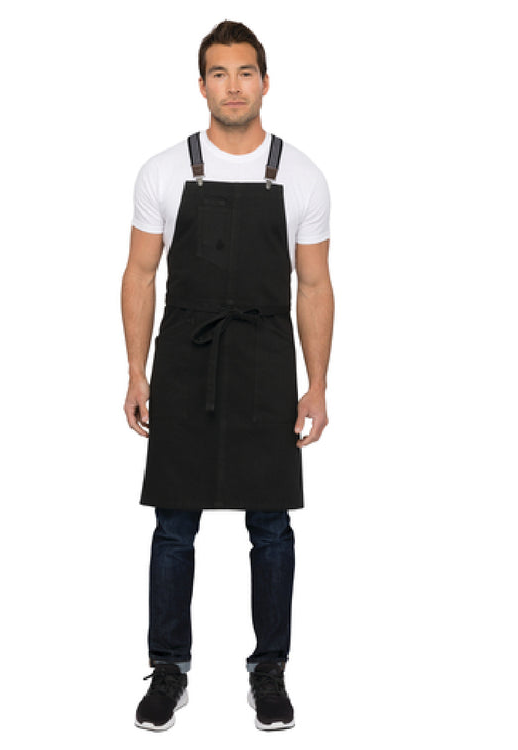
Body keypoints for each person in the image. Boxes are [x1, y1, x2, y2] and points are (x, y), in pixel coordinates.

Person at [121, 20, 334, 732]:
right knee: (173, 524)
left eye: (245, 73)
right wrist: (136, 371)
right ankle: (168, 669)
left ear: (265, 82)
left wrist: (317, 384)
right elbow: (140, 274)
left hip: (266, 359)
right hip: (184, 358)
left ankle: (269, 670)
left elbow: (314, 285)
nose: (233, 86)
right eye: (219, 73)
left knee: (271, 526)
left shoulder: (300, 173)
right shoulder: (163, 170)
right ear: (202, 84)